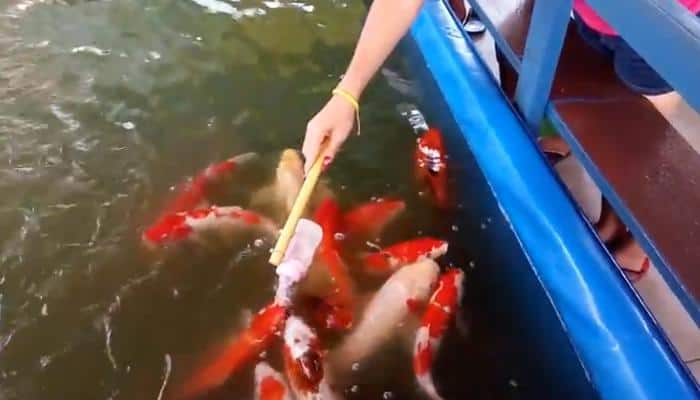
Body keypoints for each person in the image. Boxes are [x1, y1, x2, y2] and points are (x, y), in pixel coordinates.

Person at [301, 0, 700, 173]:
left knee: (640, 135)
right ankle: (566, 143)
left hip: (664, 27)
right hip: (585, 12)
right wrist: (347, 93)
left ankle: (628, 240)